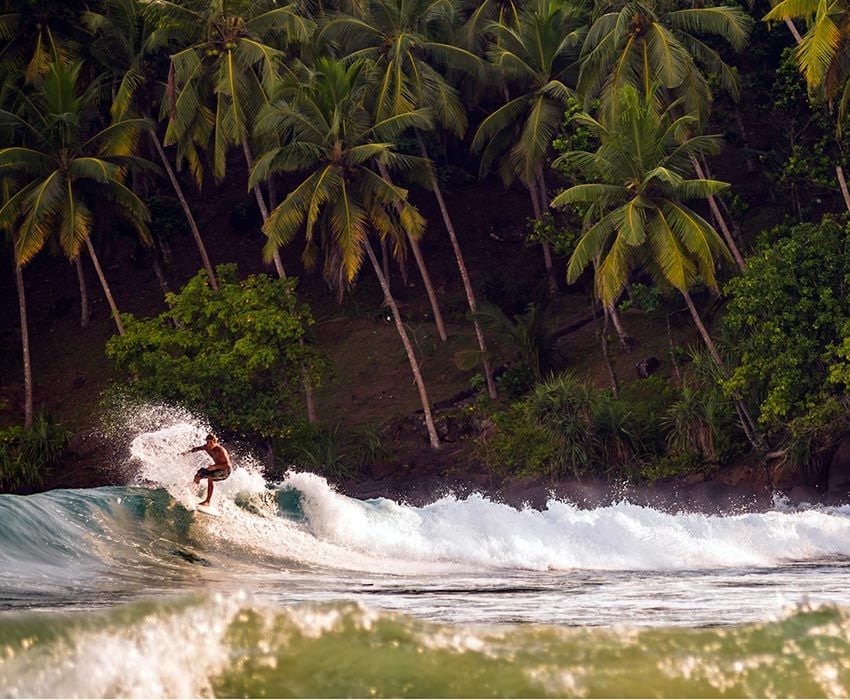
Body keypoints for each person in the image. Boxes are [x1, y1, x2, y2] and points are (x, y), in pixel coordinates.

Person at [181, 433, 232, 506]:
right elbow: (196, 449)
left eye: (211, 442)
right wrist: (185, 453)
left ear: (215, 442)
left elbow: (228, 465)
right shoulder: (206, 447)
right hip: (216, 468)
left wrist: (214, 467)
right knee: (198, 475)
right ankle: (192, 493)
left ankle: (207, 501)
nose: (209, 444)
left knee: (210, 477)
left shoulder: (221, 450)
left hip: (226, 471)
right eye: (207, 442)